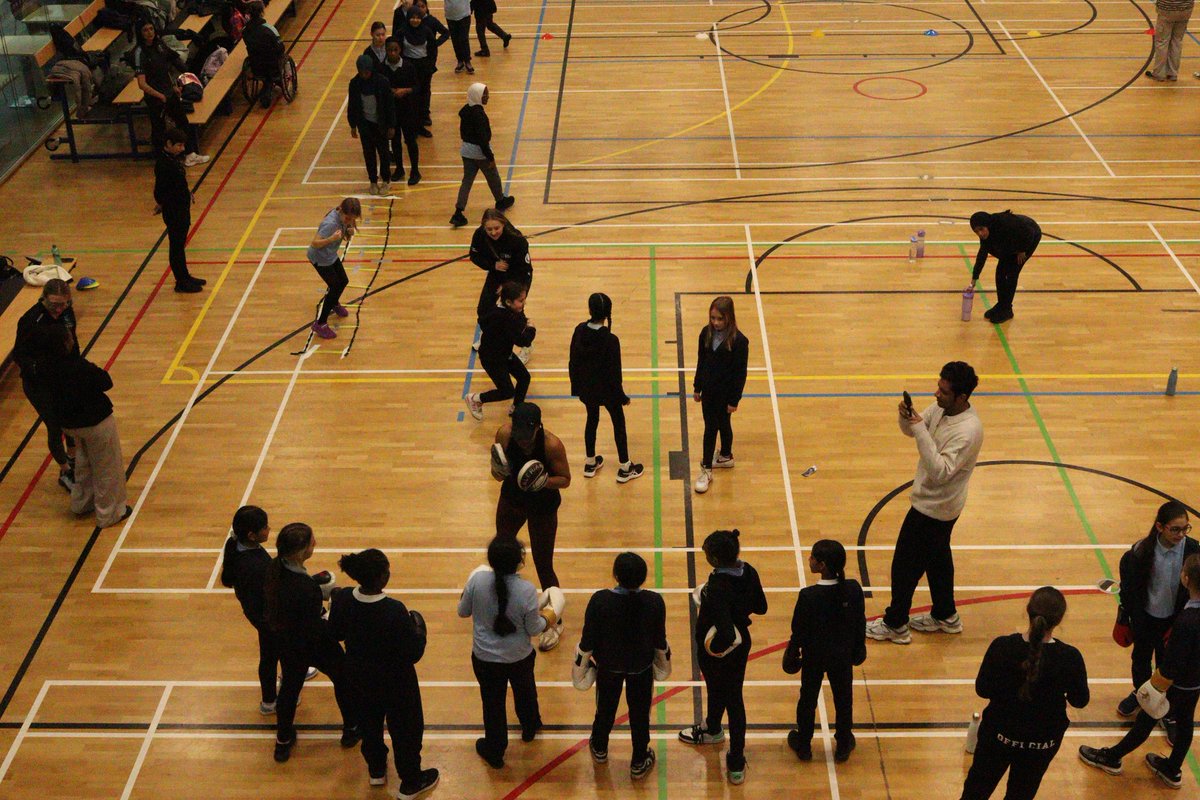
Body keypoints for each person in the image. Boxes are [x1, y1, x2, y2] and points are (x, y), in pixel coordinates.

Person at [866, 361, 983, 645]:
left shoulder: (967, 431)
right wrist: (908, 419)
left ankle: (895, 623)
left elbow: (939, 471)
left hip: (934, 508)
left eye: (943, 391)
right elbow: (915, 431)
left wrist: (919, 428)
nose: (936, 394)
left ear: (962, 397)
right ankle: (946, 615)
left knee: (904, 566)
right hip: (938, 505)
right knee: (938, 559)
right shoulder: (942, 409)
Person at [1079, 554, 1200, 789]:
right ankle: (1172, 768)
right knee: (1185, 724)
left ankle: (1112, 757)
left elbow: (1173, 662)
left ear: (1185, 578)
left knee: (1145, 720)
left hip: (1176, 684)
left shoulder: (1187, 621)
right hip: (1194, 683)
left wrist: (1154, 688)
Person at [960, 587, 1089, 800]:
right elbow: (1080, 700)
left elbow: (982, 689)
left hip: (998, 735)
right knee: (1022, 794)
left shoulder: (1003, 647)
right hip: (1042, 742)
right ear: (1059, 619)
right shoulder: (1070, 657)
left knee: (976, 790)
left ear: (1027, 611)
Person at [331, 549, 439, 799]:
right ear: (381, 578)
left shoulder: (344, 599)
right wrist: (420, 632)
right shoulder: (393, 610)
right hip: (396, 682)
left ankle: (376, 769)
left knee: (369, 725)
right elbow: (412, 652)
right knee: (406, 730)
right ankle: (411, 781)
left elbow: (335, 633)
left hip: (358, 677)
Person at [263, 522, 359, 762]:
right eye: (312, 541)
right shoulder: (305, 588)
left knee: (289, 688)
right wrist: (330, 602)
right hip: (313, 641)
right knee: (343, 677)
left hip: (287, 643)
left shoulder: (274, 569)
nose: (315, 543)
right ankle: (351, 729)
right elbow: (314, 621)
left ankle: (283, 739)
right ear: (300, 551)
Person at [458, 537, 557, 769]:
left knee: (492, 703)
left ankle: (495, 749)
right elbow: (534, 629)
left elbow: (463, 612)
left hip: (485, 658)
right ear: (519, 562)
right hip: (519, 656)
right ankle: (530, 726)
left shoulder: (478, 580)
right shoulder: (526, 590)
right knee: (525, 692)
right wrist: (550, 616)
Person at [679, 529, 767, 785]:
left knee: (732, 700)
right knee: (720, 690)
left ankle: (737, 759)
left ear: (715, 559)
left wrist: (713, 648)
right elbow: (761, 606)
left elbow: (726, 633)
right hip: (741, 646)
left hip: (720, 650)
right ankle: (713, 728)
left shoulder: (717, 586)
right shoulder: (748, 570)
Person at [574, 552, 669, 780]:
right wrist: (663, 664)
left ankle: (599, 746)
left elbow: (588, 639)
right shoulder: (654, 601)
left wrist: (581, 667)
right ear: (644, 577)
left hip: (608, 666)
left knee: (605, 708)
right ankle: (639, 759)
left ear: (615, 575)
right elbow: (660, 640)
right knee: (639, 714)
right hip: (641, 667)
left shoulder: (600, 600)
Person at [1114, 500, 1197, 744]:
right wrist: (1125, 618)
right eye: (1175, 529)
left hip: (1174, 622)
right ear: (1160, 527)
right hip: (1145, 618)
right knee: (1140, 659)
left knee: (1166, 665)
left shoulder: (1193, 552)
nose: (1181, 535)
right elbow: (1128, 588)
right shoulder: (1140, 551)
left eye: (1185, 529)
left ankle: (1168, 712)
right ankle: (1142, 695)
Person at [490, 402, 571, 650]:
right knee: (501, 553)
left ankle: (554, 622)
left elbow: (565, 479)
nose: (521, 440)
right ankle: (502, 608)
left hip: (543, 505)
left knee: (544, 563)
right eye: (518, 434)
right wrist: (498, 471)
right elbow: (496, 474)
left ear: (537, 428)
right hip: (512, 499)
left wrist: (542, 481)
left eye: (526, 435)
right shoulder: (504, 434)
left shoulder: (551, 445)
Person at [783, 539, 865, 764]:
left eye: (813, 557)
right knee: (844, 699)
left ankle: (804, 744)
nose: (809, 559)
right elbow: (860, 622)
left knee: (807, 699)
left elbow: (798, 629)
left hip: (814, 657)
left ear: (822, 565)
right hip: (842, 656)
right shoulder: (853, 589)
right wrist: (859, 647)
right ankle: (843, 744)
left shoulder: (808, 596)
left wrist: (793, 650)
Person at [41, 327, 130, 529]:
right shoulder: (79, 367)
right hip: (95, 423)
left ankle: (82, 503)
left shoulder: (48, 369)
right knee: (107, 466)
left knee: (84, 461)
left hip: (71, 425)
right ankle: (109, 514)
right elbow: (106, 381)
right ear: (67, 343)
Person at [220, 505, 293, 714]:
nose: (269, 529)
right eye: (264, 528)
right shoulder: (253, 566)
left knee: (270, 654)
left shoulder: (240, 546)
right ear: (252, 535)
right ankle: (274, 699)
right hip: (267, 617)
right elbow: (272, 590)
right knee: (278, 654)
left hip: (260, 613)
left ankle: (269, 699)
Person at [568, 292, 643, 483]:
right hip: (608, 392)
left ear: (590, 310)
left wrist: (576, 387)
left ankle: (590, 462)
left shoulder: (579, 331)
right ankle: (625, 466)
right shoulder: (610, 340)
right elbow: (614, 374)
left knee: (591, 419)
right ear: (607, 313)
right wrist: (622, 397)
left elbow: (573, 362)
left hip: (587, 389)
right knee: (618, 423)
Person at [13, 279, 78, 492]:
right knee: (54, 424)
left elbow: (72, 343)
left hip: (62, 378)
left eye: (63, 304)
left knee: (69, 417)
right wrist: (38, 368)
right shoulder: (30, 321)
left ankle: (74, 456)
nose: (58, 310)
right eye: (53, 305)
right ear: (44, 299)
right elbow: (19, 354)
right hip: (38, 383)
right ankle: (65, 469)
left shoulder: (67, 314)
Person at [692, 296, 749, 495]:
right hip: (708, 392)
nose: (715, 323)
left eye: (720, 319)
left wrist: (734, 400)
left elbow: (740, 373)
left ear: (729, 318)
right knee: (719, 425)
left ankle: (706, 469)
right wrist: (697, 387)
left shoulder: (740, 341)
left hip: (725, 395)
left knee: (713, 427)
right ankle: (725, 455)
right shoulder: (705, 333)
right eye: (713, 318)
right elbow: (701, 361)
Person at [131, 20, 208, 165]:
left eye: (151, 29)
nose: (150, 33)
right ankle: (163, 159)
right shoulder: (139, 53)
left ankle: (189, 154)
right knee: (159, 129)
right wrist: (159, 96)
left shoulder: (159, 45)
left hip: (169, 93)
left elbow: (165, 69)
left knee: (183, 122)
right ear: (140, 34)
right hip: (156, 98)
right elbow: (142, 84)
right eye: (145, 30)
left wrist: (173, 86)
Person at [465, 281, 535, 419]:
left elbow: (519, 320)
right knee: (507, 391)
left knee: (524, 377)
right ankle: (475, 399)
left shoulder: (507, 311)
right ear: (508, 302)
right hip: (492, 359)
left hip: (504, 353)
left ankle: (516, 408)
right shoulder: (505, 318)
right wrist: (532, 328)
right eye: (521, 301)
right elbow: (523, 341)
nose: (524, 303)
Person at [469, 208, 532, 360]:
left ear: (503, 224)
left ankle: (526, 346)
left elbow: (523, 268)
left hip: (518, 277)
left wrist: (507, 287)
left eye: (496, 228)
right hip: (497, 273)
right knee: (484, 309)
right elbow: (474, 256)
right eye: (489, 229)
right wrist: (493, 265)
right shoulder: (480, 235)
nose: (493, 232)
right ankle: (489, 337)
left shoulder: (516, 240)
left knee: (515, 310)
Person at [450, 83, 514, 228]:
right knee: (493, 175)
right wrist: (490, 157)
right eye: (485, 94)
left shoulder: (465, 110)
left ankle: (458, 212)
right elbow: (482, 139)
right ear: (477, 96)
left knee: (466, 181)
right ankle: (500, 199)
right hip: (480, 152)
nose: (487, 97)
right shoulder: (478, 114)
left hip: (466, 151)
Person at [154, 127, 206, 293]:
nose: (182, 149)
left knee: (180, 245)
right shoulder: (163, 164)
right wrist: (162, 204)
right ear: (168, 144)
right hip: (174, 211)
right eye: (179, 145)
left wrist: (186, 193)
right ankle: (181, 281)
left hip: (181, 208)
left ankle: (185, 275)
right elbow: (160, 190)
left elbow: (176, 184)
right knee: (176, 246)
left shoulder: (172, 158)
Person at [968, 210, 1041, 324]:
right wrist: (974, 278)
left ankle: (1007, 309)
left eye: (981, 229)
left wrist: (1023, 249)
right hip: (1010, 242)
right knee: (1000, 273)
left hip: (1028, 236)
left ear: (987, 225)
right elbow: (982, 256)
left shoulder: (1004, 224)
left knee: (1012, 272)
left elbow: (1028, 232)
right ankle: (1001, 305)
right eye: (976, 231)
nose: (980, 234)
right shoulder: (986, 236)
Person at [305, 197, 361, 340]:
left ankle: (334, 302)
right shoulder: (330, 224)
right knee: (335, 286)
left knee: (343, 281)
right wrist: (331, 239)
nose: (350, 221)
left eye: (352, 219)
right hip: (320, 258)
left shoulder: (345, 216)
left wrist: (348, 231)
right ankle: (321, 323)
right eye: (348, 218)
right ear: (342, 212)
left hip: (330, 255)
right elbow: (315, 243)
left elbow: (346, 235)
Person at [348, 54, 396, 196]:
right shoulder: (354, 84)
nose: (364, 74)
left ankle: (386, 180)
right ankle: (373, 181)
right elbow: (352, 105)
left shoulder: (382, 82)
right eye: (362, 72)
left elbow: (390, 105)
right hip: (365, 125)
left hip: (380, 124)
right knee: (369, 154)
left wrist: (391, 125)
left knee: (384, 153)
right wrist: (353, 125)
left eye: (367, 71)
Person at [381, 37, 422, 186]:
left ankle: (415, 170)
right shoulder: (382, 68)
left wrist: (406, 90)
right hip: (391, 112)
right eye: (389, 50)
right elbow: (380, 89)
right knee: (395, 141)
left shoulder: (408, 66)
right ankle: (399, 168)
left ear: (400, 50)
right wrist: (390, 91)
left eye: (395, 50)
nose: (392, 53)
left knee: (410, 141)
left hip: (408, 110)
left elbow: (418, 87)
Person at [399, 6, 437, 138]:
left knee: (422, 97)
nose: (415, 20)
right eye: (412, 17)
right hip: (409, 69)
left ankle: (420, 126)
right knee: (410, 100)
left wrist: (431, 66)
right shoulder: (402, 32)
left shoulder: (426, 31)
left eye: (417, 18)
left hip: (424, 69)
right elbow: (398, 50)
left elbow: (433, 49)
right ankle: (411, 128)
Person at [413, 0, 449, 126]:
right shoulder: (411, 22)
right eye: (418, 7)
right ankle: (415, 113)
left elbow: (445, 32)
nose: (421, 9)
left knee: (426, 87)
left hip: (428, 60)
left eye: (423, 6)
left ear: (427, 7)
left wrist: (435, 44)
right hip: (413, 62)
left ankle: (425, 113)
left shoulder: (431, 21)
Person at [242, 0, 284, 107]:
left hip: (256, 66)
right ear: (262, 12)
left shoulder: (245, 31)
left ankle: (267, 85)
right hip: (273, 65)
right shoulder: (269, 29)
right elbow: (280, 47)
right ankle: (272, 82)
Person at [1145, 0, 1193, 81]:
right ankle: (1172, 73)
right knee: (1177, 41)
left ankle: (1159, 73)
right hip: (1186, 8)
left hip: (1167, 9)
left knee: (1162, 41)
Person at [445, 0, 473, 73]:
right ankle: (460, 61)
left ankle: (467, 61)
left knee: (464, 38)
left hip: (464, 14)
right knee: (455, 39)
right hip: (450, 15)